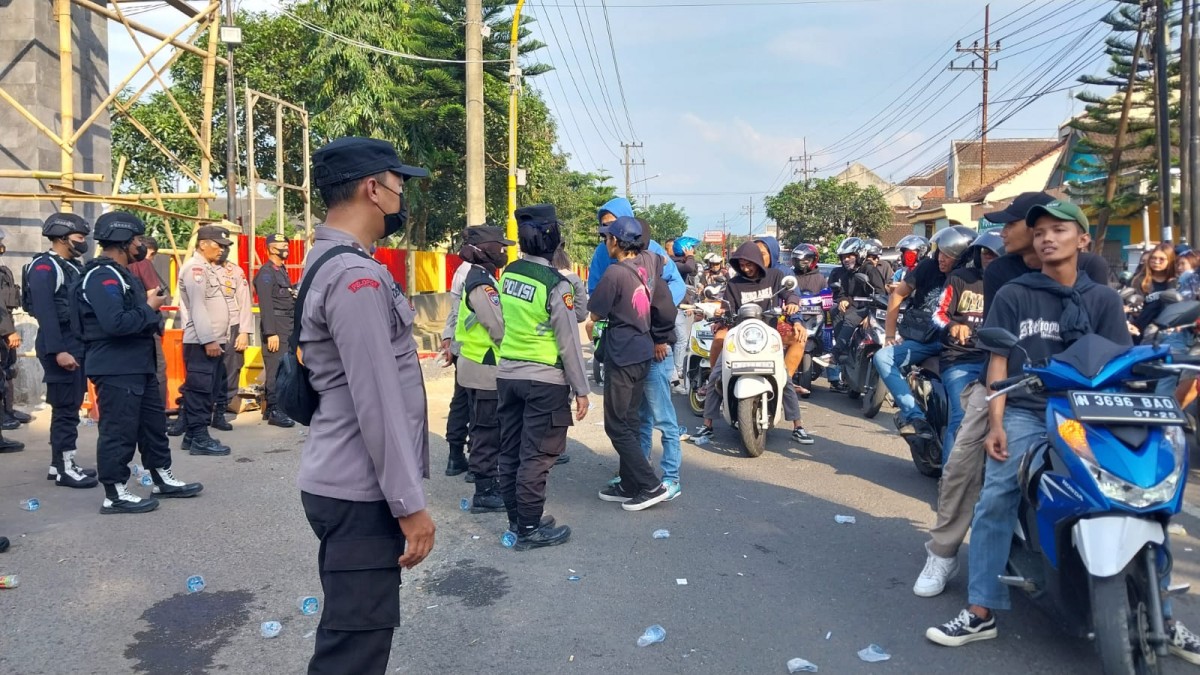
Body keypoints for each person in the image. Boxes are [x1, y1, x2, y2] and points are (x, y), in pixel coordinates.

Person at [923, 201, 1200, 662]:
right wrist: (996, 422)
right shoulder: (1014, 294)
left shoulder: (1105, 300)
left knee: (1147, 493)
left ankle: (1164, 616)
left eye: (1058, 230)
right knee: (996, 494)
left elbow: (1118, 361)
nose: (1047, 238)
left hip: (1095, 411)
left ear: (1083, 240)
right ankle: (981, 609)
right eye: (1040, 233)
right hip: (1029, 408)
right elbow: (997, 360)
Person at [298, 136, 436, 674]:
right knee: (354, 649)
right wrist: (411, 506)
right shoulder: (356, 276)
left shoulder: (331, 259)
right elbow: (377, 401)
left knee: (356, 635)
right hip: (360, 491)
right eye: (400, 184)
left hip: (345, 478)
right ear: (372, 189)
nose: (403, 196)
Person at [75, 211, 203, 514]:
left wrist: (145, 305)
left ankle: (162, 476)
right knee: (118, 430)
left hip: (137, 363)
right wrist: (148, 306)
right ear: (122, 240)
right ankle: (115, 493)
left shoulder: (123, 274)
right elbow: (115, 323)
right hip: (116, 366)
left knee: (152, 426)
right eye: (135, 239)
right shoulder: (101, 276)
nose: (139, 245)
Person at [910, 231, 1001, 597]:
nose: (990, 259)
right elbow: (938, 313)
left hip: (1031, 379)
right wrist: (954, 324)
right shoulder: (961, 280)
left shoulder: (1025, 282)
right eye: (985, 253)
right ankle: (943, 552)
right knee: (965, 437)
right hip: (967, 363)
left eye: (997, 253)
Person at [496, 204, 587, 548]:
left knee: (512, 451)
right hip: (543, 382)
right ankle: (530, 531)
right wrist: (581, 389)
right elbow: (568, 342)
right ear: (554, 240)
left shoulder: (509, 273)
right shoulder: (556, 284)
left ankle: (519, 521)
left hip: (507, 375)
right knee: (536, 456)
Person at [591, 216, 675, 511]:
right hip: (642, 351)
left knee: (616, 424)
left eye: (607, 238)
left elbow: (595, 314)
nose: (605, 243)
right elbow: (666, 305)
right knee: (629, 419)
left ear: (616, 241)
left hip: (623, 355)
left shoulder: (615, 274)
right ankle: (629, 482)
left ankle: (650, 484)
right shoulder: (649, 264)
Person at [691, 240, 803, 441]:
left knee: (784, 378)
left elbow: (790, 294)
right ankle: (707, 424)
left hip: (767, 335)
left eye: (749, 263)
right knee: (717, 374)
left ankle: (797, 426)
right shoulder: (734, 284)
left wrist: (793, 304)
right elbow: (728, 306)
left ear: (758, 261)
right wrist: (721, 312)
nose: (746, 268)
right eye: (742, 265)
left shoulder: (776, 276)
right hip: (740, 335)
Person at [875, 225, 974, 439]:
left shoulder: (973, 276)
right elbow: (897, 295)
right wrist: (889, 336)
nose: (941, 258)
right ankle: (914, 415)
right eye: (940, 251)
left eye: (949, 254)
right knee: (882, 358)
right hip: (924, 341)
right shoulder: (927, 267)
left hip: (961, 346)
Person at [24, 214, 90, 481]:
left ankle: (58, 464)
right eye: (79, 237)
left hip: (74, 343)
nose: (83, 242)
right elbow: (45, 311)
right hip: (60, 345)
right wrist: (59, 350)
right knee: (65, 409)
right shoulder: (44, 267)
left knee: (70, 406)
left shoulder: (72, 265)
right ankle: (65, 467)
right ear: (62, 237)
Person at [455, 225, 514, 513]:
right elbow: (497, 326)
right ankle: (485, 491)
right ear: (486, 249)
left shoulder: (484, 276)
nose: (504, 250)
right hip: (484, 366)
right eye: (500, 246)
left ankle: (488, 482)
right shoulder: (481, 282)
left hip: (478, 364)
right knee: (486, 430)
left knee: (485, 428)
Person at [177, 225, 235, 457]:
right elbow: (198, 308)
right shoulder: (195, 269)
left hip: (210, 341)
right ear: (203, 244)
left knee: (208, 390)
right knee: (200, 392)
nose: (222, 250)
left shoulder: (207, 269)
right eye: (218, 245)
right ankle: (200, 437)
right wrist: (209, 340)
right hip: (202, 343)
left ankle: (192, 436)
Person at [823, 237, 886, 391]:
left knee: (850, 318)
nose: (846, 259)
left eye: (850, 255)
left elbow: (880, 293)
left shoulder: (869, 269)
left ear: (859, 255)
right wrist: (843, 300)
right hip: (853, 306)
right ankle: (844, 351)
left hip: (870, 307)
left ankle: (835, 355)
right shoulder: (840, 272)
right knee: (834, 310)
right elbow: (839, 293)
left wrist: (869, 315)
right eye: (844, 257)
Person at [252, 233, 297, 428]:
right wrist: (270, 332)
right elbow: (266, 305)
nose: (285, 248)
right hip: (276, 325)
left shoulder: (281, 270)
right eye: (281, 245)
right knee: (275, 368)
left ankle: (272, 408)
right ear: (271, 248)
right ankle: (275, 409)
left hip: (286, 323)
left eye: (286, 245)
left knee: (284, 366)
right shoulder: (266, 273)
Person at [440, 235, 474, 478]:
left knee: (461, 401)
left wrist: (448, 339)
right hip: (477, 350)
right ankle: (477, 460)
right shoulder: (474, 273)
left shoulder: (462, 270)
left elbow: (453, 312)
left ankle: (455, 456)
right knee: (479, 407)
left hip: (462, 347)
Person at [212, 243, 253, 426]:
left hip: (232, 325)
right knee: (207, 370)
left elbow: (245, 301)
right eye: (219, 246)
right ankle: (205, 409)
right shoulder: (200, 269)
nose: (223, 250)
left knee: (231, 366)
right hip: (208, 326)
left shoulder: (234, 271)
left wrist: (244, 331)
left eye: (226, 246)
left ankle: (224, 407)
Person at [127, 235, 169, 399]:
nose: (151, 258)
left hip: (127, 325)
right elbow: (153, 294)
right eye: (152, 254)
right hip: (147, 325)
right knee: (158, 368)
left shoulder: (117, 266)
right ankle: (159, 415)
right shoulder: (144, 264)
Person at [0, 231, 25, 432]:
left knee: (9, 370)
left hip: (5, 324)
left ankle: (8, 410)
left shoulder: (3, 271)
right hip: (3, 327)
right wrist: (9, 332)